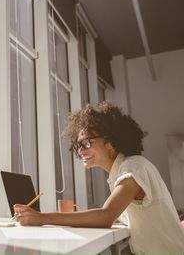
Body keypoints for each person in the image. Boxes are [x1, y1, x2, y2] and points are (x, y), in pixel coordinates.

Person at [14, 101, 184, 254]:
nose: (80, 151)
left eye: (86, 143)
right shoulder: (120, 172)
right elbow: (116, 215)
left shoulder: (134, 167)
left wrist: (42, 217)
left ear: (110, 142)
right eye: (77, 145)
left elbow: (106, 216)